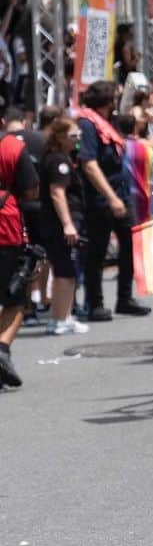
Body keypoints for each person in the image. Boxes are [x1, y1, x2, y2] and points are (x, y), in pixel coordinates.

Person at [78, 80, 150, 322]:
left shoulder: (110, 122)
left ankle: (125, 298)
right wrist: (110, 197)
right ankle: (95, 303)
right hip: (101, 197)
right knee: (97, 251)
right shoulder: (87, 124)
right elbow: (89, 164)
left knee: (130, 246)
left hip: (122, 193)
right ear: (107, 101)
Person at [38, 117, 89, 335]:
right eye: (73, 135)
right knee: (66, 271)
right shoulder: (58, 161)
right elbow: (57, 193)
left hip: (56, 222)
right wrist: (68, 224)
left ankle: (62, 316)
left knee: (64, 270)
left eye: (79, 135)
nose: (77, 139)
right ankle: (61, 318)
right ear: (60, 137)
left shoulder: (60, 157)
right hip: (61, 223)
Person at [0, 120, 40, 388]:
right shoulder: (12, 147)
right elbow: (31, 190)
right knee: (16, 298)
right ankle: (2, 348)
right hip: (6, 229)